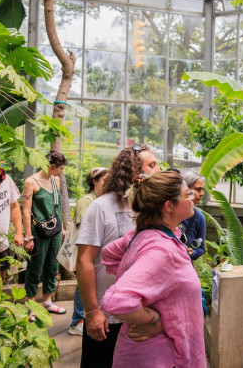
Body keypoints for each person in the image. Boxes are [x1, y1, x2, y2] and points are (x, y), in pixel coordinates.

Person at [101, 171, 206, 368]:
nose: (193, 196)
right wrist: (155, 320)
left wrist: (134, 276)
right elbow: (117, 300)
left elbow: (109, 255)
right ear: (169, 206)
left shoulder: (144, 234)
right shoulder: (162, 250)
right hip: (162, 356)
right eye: (187, 193)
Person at [76, 145, 161, 368]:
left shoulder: (152, 209)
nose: (158, 170)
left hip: (140, 317)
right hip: (106, 318)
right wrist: (93, 311)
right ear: (135, 173)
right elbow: (84, 261)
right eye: (152, 165)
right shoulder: (100, 207)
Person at [22, 150, 67, 318]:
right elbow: (26, 211)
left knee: (52, 265)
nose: (62, 172)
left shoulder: (55, 180)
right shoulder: (31, 182)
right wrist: (28, 236)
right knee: (35, 266)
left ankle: (47, 300)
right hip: (38, 231)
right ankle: (31, 304)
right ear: (52, 166)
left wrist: (61, 227)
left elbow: (58, 206)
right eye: (60, 169)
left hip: (54, 229)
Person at [69, 167, 109, 336]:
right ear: (94, 181)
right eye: (104, 181)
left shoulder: (103, 200)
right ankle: (77, 321)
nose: (108, 184)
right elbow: (83, 228)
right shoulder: (87, 201)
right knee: (82, 285)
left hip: (98, 252)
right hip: (86, 251)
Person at [179, 171, 206, 261]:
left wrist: (192, 253)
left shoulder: (199, 217)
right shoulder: (170, 211)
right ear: (185, 189)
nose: (202, 193)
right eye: (198, 189)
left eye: (203, 189)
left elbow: (201, 249)